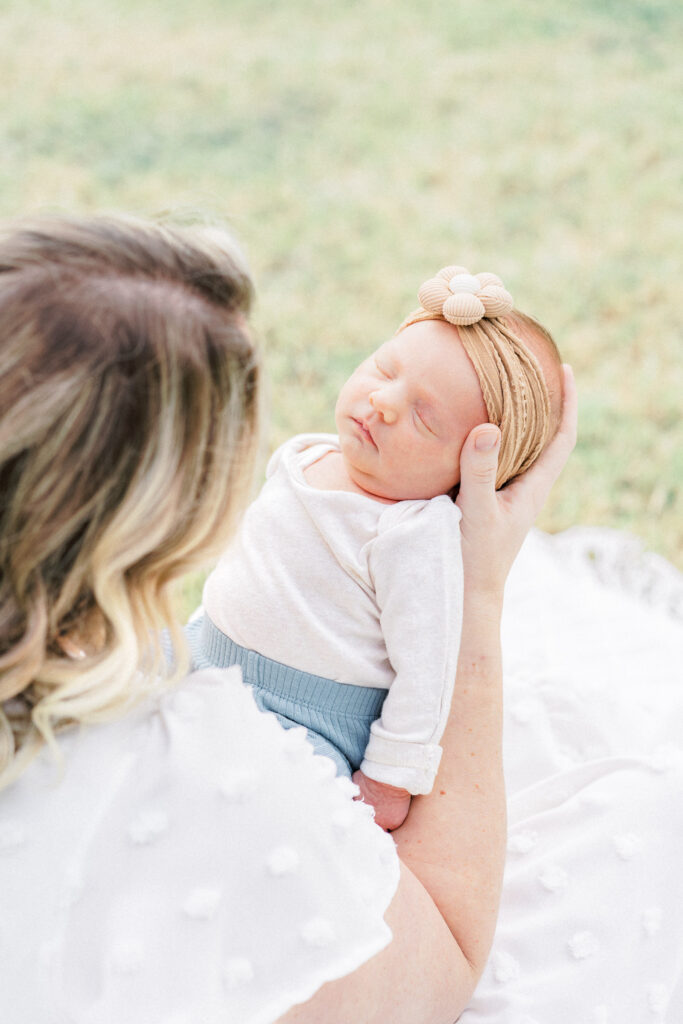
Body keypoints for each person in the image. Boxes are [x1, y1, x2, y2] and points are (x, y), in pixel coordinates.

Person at [190, 265, 564, 829]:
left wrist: (389, 776)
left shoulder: (412, 536)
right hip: (206, 652)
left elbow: (429, 673)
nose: (384, 401)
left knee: (251, 815)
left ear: (467, 472)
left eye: (424, 417)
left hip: (302, 720)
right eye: (385, 368)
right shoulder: (307, 454)